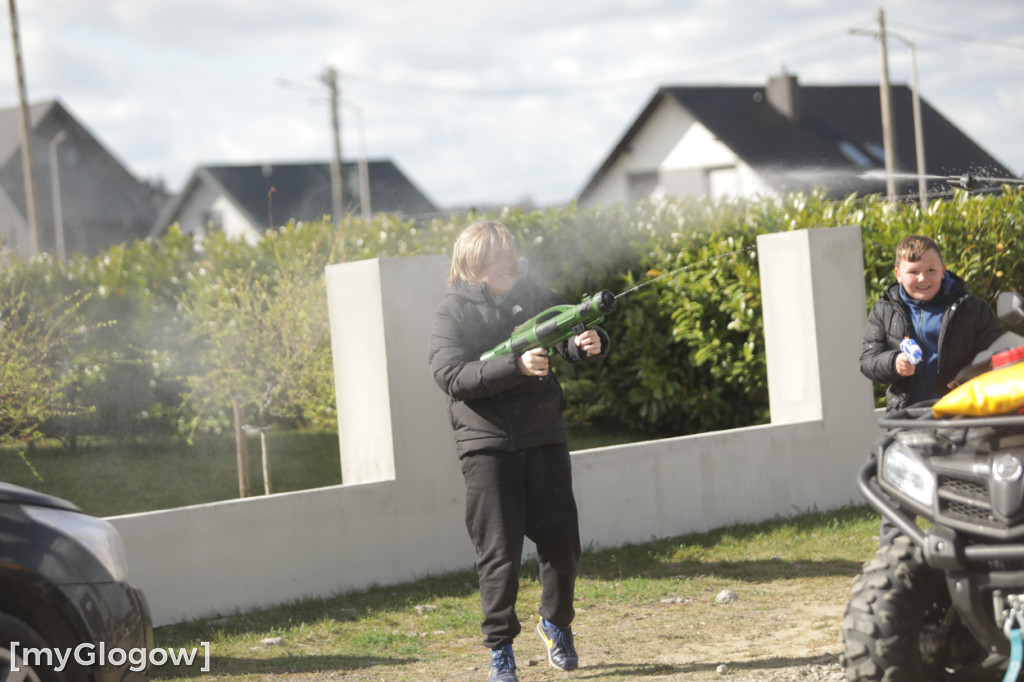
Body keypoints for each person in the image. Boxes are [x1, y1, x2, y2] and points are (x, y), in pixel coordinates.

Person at [428, 221, 610, 682]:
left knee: (563, 546)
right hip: (487, 447)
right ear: (472, 264)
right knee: (499, 555)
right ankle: (501, 651)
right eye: (494, 257)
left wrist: (589, 344)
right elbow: (451, 377)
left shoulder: (536, 294)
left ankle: (556, 623)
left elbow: (567, 334)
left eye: (508, 253)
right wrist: (515, 365)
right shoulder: (452, 311)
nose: (505, 263)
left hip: (544, 436)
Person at [860, 234, 1002, 545]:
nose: (922, 279)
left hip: (961, 418)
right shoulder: (884, 309)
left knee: (967, 499)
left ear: (944, 269)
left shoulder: (971, 308)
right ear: (898, 274)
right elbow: (868, 360)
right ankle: (896, 565)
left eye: (931, 271)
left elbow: (998, 356)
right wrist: (894, 362)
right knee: (898, 499)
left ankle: (972, 562)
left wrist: (968, 378)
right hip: (906, 418)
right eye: (913, 272)